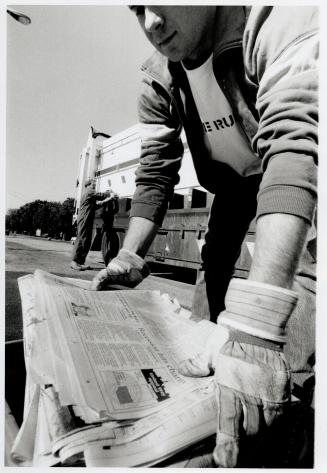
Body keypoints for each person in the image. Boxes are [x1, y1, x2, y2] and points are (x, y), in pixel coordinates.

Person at [92, 6, 318, 467]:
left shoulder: (272, 19)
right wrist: (129, 256)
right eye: (137, 8)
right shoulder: (157, 78)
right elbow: (155, 174)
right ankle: (202, 406)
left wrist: (258, 327)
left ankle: (292, 419)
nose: (151, 21)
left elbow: (295, 145)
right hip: (232, 185)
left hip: (293, 171)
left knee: (289, 301)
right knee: (212, 281)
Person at [71, 178, 118, 270]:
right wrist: (110, 193)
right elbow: (101, 195)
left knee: (86, 241)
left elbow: (97, 205)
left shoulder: (89, 194)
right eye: (93, 184)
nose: (94, 186)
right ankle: (74, 262)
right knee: (82, 239)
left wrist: (108, 199)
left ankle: (80, 262)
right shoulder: (89, 191)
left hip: (87, 218)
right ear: (88, 185)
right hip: (84, 218)